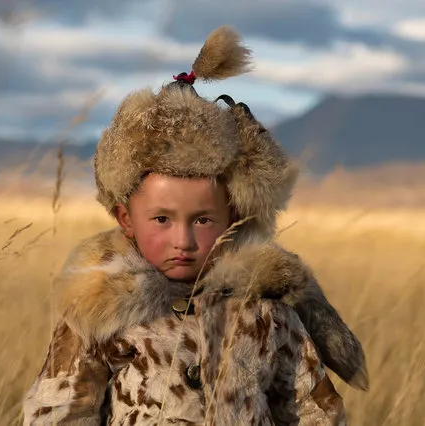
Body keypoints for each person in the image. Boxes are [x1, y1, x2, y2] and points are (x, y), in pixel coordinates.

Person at [23, 25, 368, 426]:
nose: (183, 240)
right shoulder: (101, 310)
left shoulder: (265, 311)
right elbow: (59, 411)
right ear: (125, 219)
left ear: (233, 217)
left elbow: (312, 410)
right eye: (161, 219)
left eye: (203, 220)